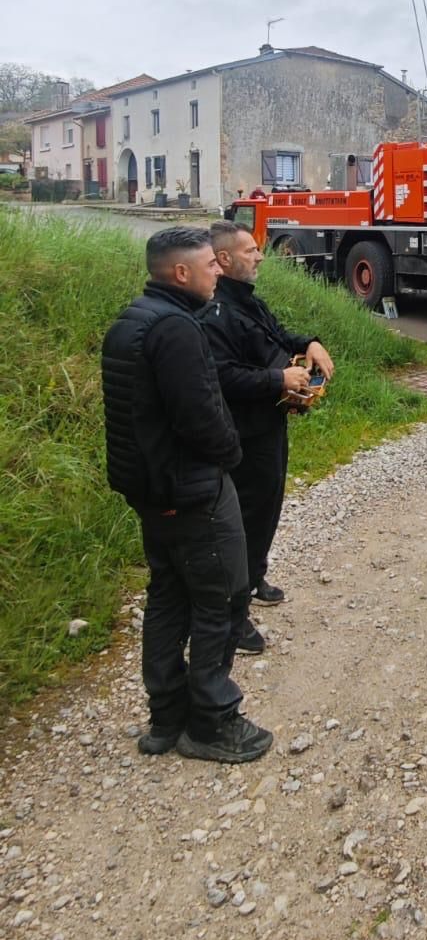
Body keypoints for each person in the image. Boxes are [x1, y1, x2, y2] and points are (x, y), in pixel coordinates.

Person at [101, 226, 273, 763]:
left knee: (169, 595)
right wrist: (230, 455)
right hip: (193, 489)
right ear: (181, 273)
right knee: (221, 596)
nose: (217, 271)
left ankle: (165, 717)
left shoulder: (130, 321)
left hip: (152, 492)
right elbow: (200, 416)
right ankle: (213, 721)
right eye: (208, 265)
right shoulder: (176, 330)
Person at [201, 220, 335, 652]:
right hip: (243, 432)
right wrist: (278, 378)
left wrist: (310, 342)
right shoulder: (213, 312)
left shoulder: (247, 301)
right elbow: (223, 376)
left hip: (270, 423)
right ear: (223, 259)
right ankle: (232, 618)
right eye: (249, 251)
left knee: (269, 506)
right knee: (242, 520)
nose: (259, 256)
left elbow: (276, 335)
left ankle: (254, 575)